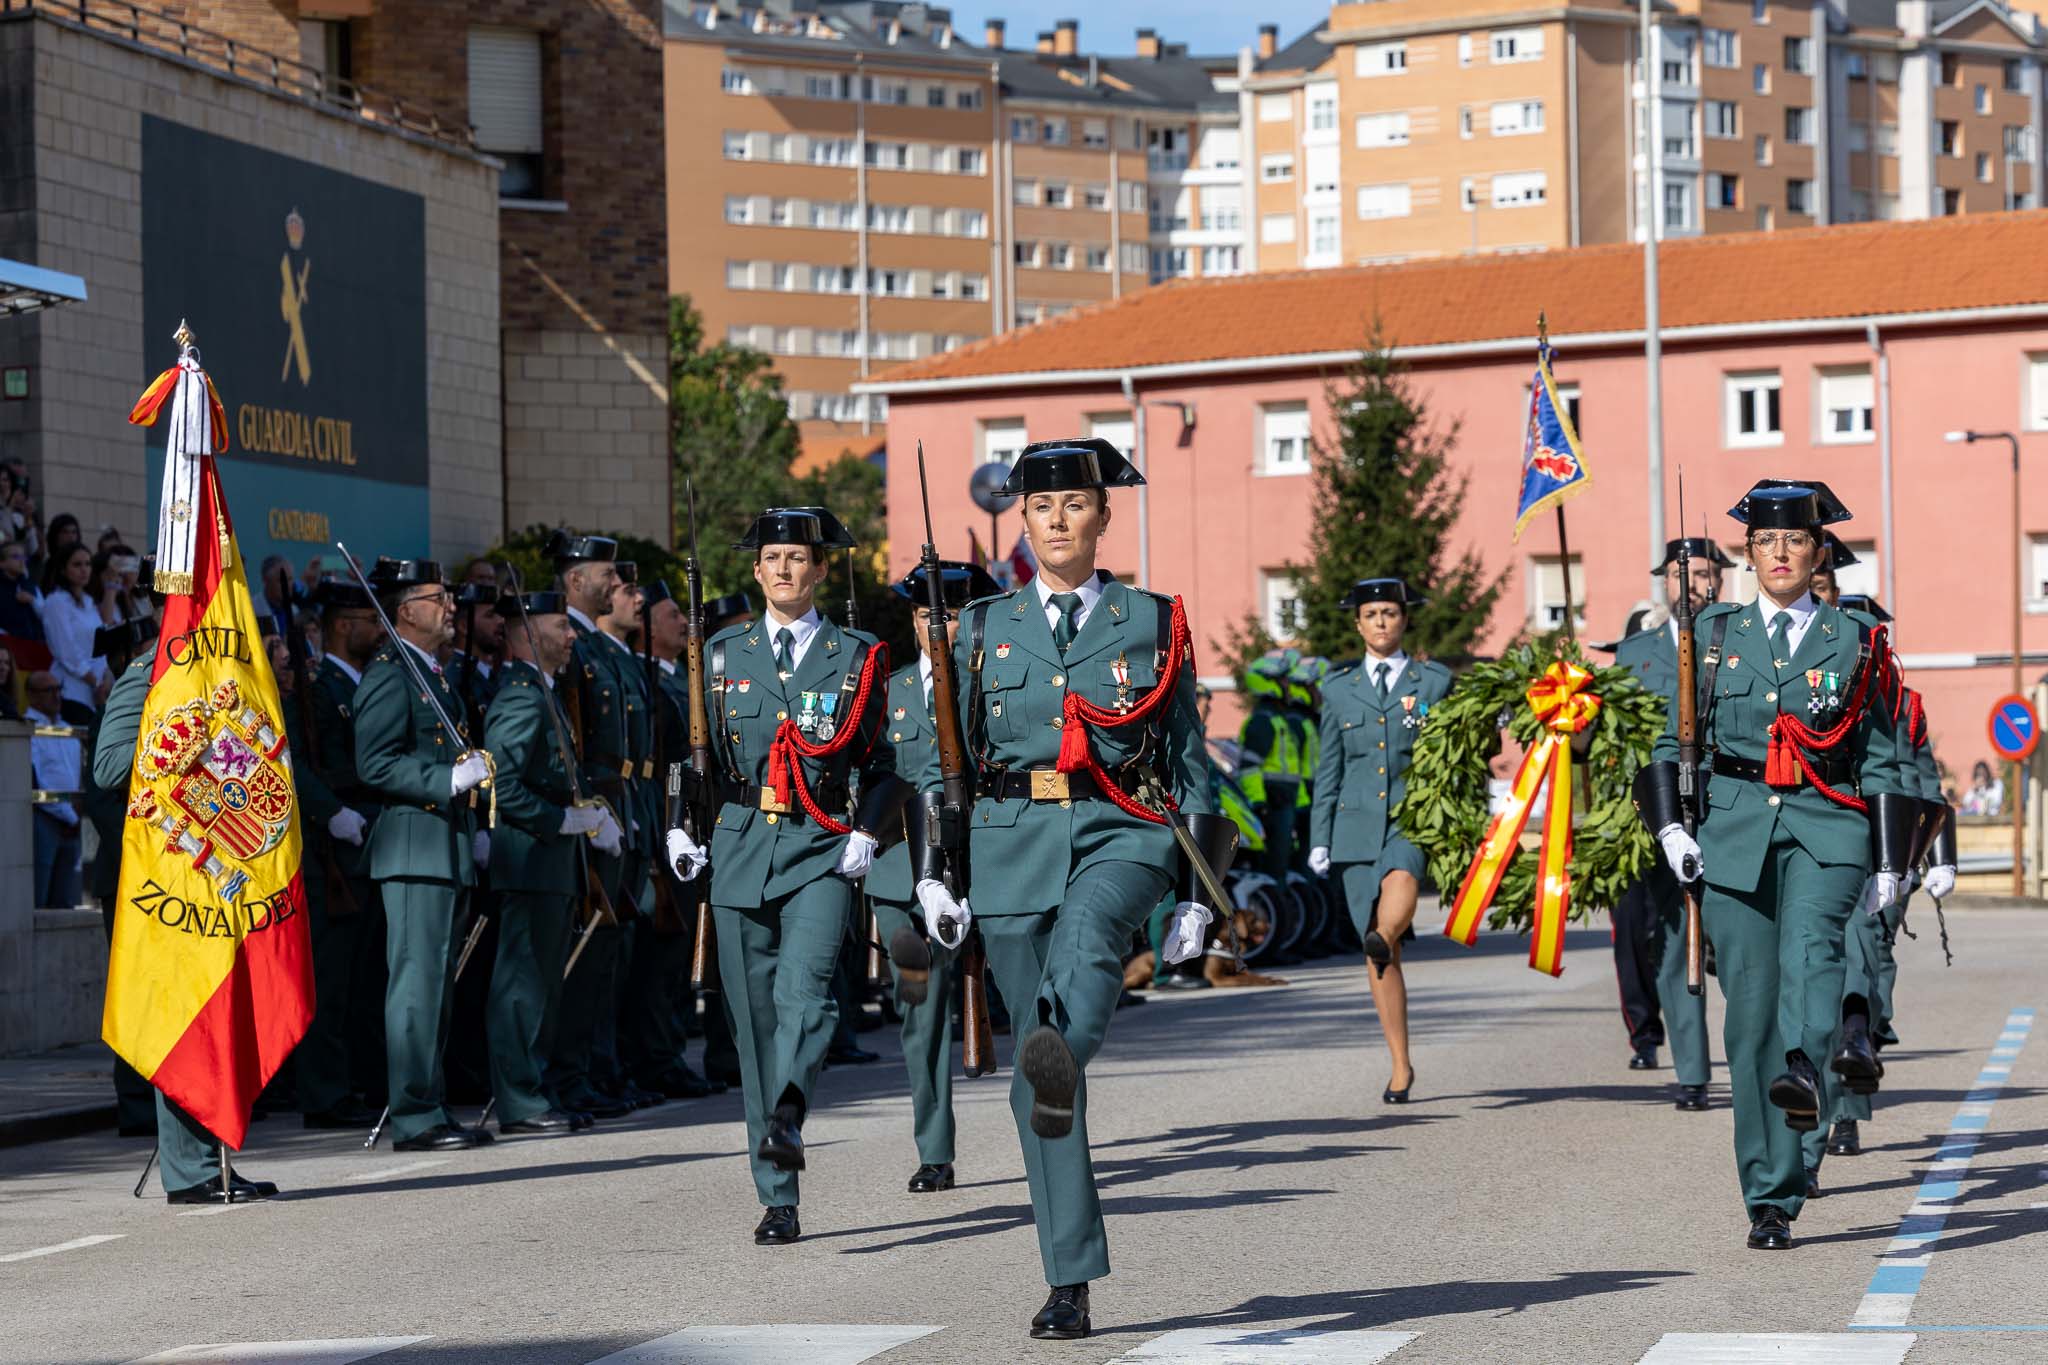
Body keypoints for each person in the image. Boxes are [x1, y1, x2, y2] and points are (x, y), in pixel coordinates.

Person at [922, 439, 1222, 1339]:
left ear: (1102, 514)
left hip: (1121, 827)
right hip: (1010, 844)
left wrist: (1204, 891)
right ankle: (1069, 1276)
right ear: (1023, 520)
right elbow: (953, 765)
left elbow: (1189, 759)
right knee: (1033, 1087)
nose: (1057, 520)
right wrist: (939, 873)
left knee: (1089, 944)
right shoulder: (979, 628)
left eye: (1075, 504)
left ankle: (1065, 1041)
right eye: (1041, 506)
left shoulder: (1152, 618)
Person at [1637, 480, 1913, 1251]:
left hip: (1827, 830)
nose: (1781, 552)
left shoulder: (1854, 640)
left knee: (1814, 974)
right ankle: (1771, 1193)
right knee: (1751, 1018)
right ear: (1747, 552)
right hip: (1732, 834)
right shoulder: (1713, 636)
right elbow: (1671, 746)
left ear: (1819, 551)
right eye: (1766, 541)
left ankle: (1809, 1069)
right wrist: (1671, 832)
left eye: (1796, 540)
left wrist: (1891, 860)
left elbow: (1885, 759)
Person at [668, 506, 902, 1248]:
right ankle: (778, 1195)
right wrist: (679, 820)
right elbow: (695, 753)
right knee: (753, 1026)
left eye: (797, 557)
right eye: (771, 556)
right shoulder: (722, 651)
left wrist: (869, 829)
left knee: (805, 998)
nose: (783, 569)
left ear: (821, 568)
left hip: (820, 845)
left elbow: (884, 766)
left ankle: (790, 1109)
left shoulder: (857, 654)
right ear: (757, 568)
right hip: (738, 845)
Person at [90, 611, 281, 1204]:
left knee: (217, 1012)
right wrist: (188, 730)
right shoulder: (148, 674)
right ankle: (190, 1168)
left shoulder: (222, 675)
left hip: (217, 870)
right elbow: (110, 766)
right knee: (182, 1016)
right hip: (165, 873)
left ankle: (214, 1155)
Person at [866, 559, 999, 1194]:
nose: (936, 626)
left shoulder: (994, 686)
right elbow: (867, 777)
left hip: (986, 862)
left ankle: (1045, 1127)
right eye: (925, 615)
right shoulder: (887, 692)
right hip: (900, 868)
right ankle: (935, 1148)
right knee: (919, 1006)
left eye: (949, 614)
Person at [354, 557, 490, 1152]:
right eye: (440, 597)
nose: (452, 606)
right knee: (415, 984)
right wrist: (447, 780)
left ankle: (429, 1103)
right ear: (406, 610)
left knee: (436, 984)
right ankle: (413, 1113)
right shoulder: (391, 672)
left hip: (444, 847)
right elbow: (374, 761)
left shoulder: (431, 672)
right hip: (414, 849)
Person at [1308, 579, 1453, 1105]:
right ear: (1358, 623)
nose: (1382, 622)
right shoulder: (1339, 687)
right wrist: (1318, 837)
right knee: (1380, 957)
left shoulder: (1435, 681)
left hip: (1414, 817)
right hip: (1352, 827)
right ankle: (1400, 1065)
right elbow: (1329, 767)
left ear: (1404, 619)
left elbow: (1458, 754)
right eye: (1371, 614)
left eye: (1390, 612)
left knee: (1400, 886)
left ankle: (1385, 931)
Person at [1823, 598, 1958, 1161]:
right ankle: (1842, 1112)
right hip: (1830, 840)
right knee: (1828, 974)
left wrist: (1941, 855)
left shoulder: (1904, 703)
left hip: (1893, 846)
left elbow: (1927, 784)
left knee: (1872, 962)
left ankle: (1868, 1040)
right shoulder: (1818, 691)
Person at [485, 588, 621, 1134]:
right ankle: (519, 1099)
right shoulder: (521, 696)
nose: (571, 636)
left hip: (550, 863)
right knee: (521, 985)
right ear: (525, 633)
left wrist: (587, 813)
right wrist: (557, 821)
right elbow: (504, 783)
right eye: (559, 626)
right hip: (529, 859)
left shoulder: (542, 691)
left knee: (542, 983)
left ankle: (533, 1089)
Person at [1608, 538, 1730, 1110]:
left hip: (1733, 806)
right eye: (1684, 576)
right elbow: (1612, 738)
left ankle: (1765, 1054)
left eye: (1705, 575)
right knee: (1674, 938)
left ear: (1722, 581)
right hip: (1663, 811)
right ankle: (1693, 1071)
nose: (1695, 585)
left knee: (1735, 945)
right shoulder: (1634, 655)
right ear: (1665, 584)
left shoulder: (1740, 636)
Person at [550, 536, 650, 1119]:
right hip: (597, 805)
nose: (615, 585)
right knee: (587, 953)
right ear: (574, 580)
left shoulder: (602, 648)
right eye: (605, 575)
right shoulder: (575, 647)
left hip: (623, 803)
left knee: (609, 953)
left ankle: (599, 1070)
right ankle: (574, 1073)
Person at [308, 576, 390, 1120]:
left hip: (370, 837)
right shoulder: (320, 690)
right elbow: (305, 764)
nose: (378, 630)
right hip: (334, 845)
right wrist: (332, 810)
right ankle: (325, 1093)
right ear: (342, 626)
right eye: (367, 621)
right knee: (332, 980)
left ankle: (362, 1081)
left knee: (365, 977)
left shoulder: (364, 684)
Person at [80, 616, 159, 1135]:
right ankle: (135, 1104)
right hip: (126, 870)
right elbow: (103, 800)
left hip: (153, 865)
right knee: (132, 991)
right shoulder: (112, 713)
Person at [25, 670, 83, 907]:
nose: (56, 696)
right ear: (32, 696)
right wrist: (71, 815)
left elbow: (76, 776)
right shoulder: (27, 729)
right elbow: (36, 780)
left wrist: (76, 813)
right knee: (38, 900)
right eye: (49, 690)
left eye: (58, 689)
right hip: (44, 819)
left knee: (65, 902)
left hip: (71, 822)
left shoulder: (68, 728)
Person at [39, 543, 107, 710]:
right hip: (70, 691)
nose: (84, 569)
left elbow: (100, 645)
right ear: (63, 569)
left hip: (97, 692)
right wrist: (95, 681)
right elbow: (66, 652)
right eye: (77, 565)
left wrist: (104, 680)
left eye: (87, 564)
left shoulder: (89, 601)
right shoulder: (56, 602)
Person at [1, 537, 44, 644]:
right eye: (16, 556)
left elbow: (46, 614)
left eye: (23, 556)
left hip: (32, 644)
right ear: (2, 563)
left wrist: (32, 600)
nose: (21, 560)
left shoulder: (31, 585)